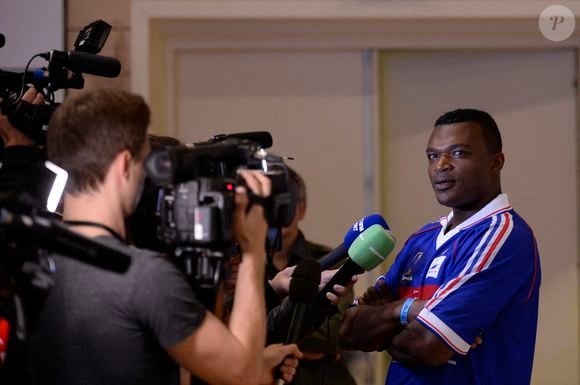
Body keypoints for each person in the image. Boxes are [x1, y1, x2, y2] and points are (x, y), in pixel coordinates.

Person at [26, 88, 301, 385]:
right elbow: (240, 374)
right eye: (146, 162)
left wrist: (259, 362)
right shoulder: (141, 276)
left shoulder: (27, 259)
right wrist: (253, 251)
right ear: (123, 166)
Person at [339, 108, 541, 385]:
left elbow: (428, 345)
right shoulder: (422, 238)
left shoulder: (503, 236)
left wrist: (385, 321)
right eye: (433, 156)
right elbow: (350, 332)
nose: (440, 165)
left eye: (458, 153)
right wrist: (407, 311)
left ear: (496, 162)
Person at [266, 167, 357, 385]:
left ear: (302, 209)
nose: (277, 212)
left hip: (322, 377)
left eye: (285, 203)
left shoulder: (330, 259)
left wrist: (259, 341)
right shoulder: (240, 262)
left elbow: (332, 335)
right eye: (270, 203)